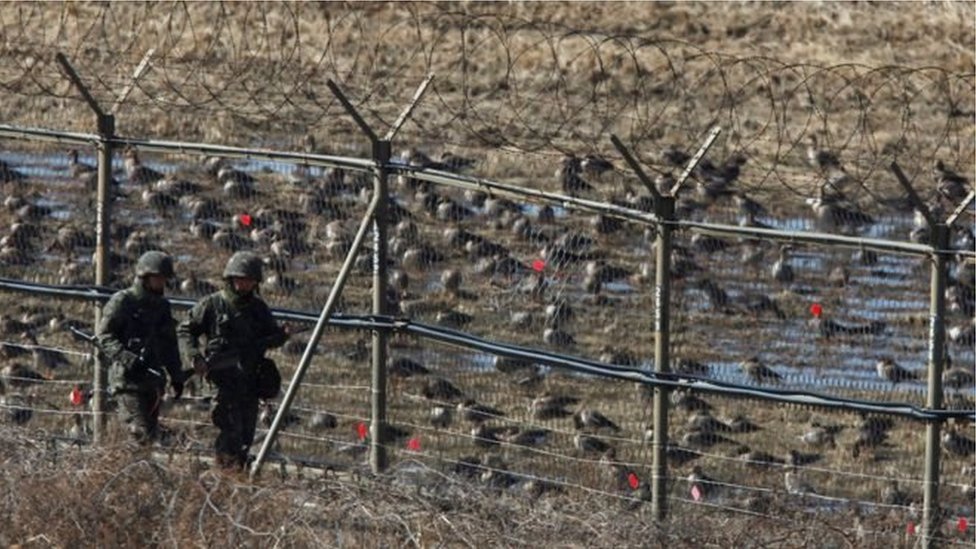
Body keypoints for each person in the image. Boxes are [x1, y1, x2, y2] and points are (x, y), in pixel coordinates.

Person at [177, 251, 289, 471]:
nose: (243, 284)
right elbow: (185, 330)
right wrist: (195, 357)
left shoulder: (258, 308)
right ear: (230, 278)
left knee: (246, 436)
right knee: (228, 433)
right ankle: (226, 479)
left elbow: (271, 338)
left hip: (248, 382)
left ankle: (236, 479)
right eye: (239, 279)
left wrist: (283, 334)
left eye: (248, 280)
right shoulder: (213, 304)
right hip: (221, 381)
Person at [97, 250, 184, 445]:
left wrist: (176, 376)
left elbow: (169, 344)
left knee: (149, 438)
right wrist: (128, 358)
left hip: (152, 382)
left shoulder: (162, 306)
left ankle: (138, 472)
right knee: (139, 434)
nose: (161, 283)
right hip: (127, 381)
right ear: (145, 277)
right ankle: (133, 472)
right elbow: (104, 336)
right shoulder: (123, 301)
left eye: (164, 279)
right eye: (157, 278)